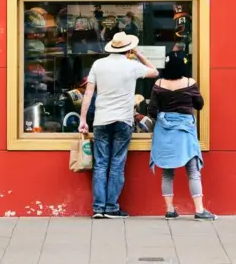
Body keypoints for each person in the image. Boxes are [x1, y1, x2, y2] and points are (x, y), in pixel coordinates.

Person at [78, 32, 159, 219]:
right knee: (116, 164)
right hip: (123, 120)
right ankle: (112, 208)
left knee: (100, 165)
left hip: (101, 121)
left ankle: (98, 208)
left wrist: (83, 120)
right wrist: (138, 53)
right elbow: (154, 71)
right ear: (128, 48)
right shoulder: (131, 65)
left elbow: (88, 94)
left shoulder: (98, 65)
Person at [147, 54, 216, 221]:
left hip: (164, 131)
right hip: (185, 131)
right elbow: (199, 104)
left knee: (167, 172)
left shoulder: (158, 84)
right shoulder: (189, 83)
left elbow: (151, 110)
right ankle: (199, 210)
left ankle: (170, 210)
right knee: (193, 171)